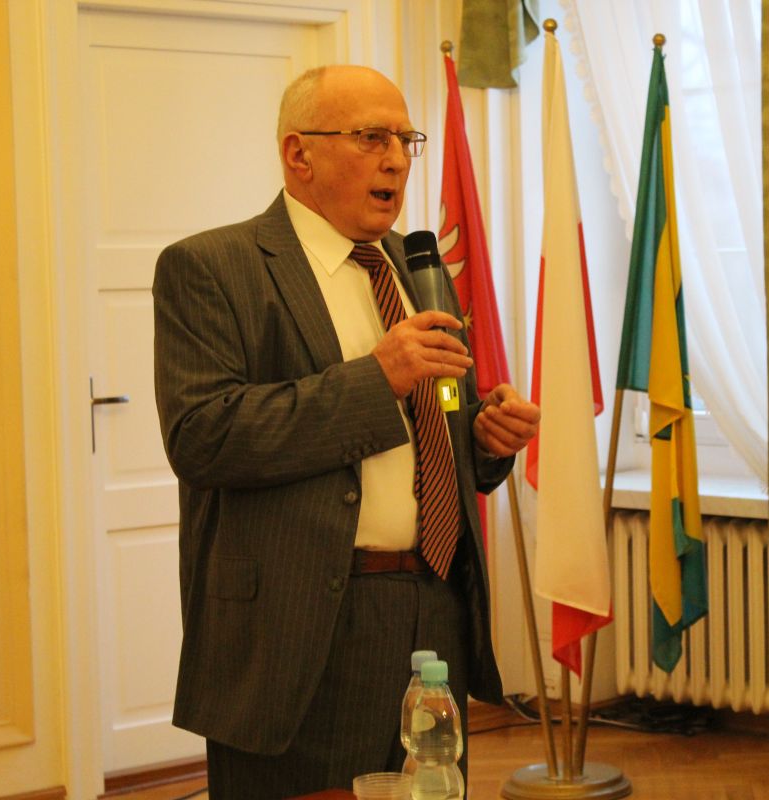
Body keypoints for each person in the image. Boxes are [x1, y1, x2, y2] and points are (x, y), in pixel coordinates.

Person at [153, 65, 540, 799]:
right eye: (371, 138)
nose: (396, 159)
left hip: (433, 605)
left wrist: (484, 441)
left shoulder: (415, 268)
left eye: (405, 139)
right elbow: (203, 436)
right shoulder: (213, 267)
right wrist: (375, 378)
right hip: (300, 626)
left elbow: (436, 422)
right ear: (299, 154)